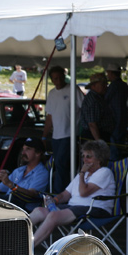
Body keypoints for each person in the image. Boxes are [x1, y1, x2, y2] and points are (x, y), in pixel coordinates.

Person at [30, 139, 115, 248]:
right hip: (74, 208)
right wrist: (54, 200)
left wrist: (82, 173)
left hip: (93, 208)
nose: (85, 160)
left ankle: (28, 248)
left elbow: (83, 192)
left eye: (88, 156)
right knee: (39, 211)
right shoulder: (83, 174)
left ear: (99, 159)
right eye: (83, 156)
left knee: (53, 215)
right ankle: (10, 239)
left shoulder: (104, 172)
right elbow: (66, 194)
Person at [42, 65, 83, 195]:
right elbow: (50, 116)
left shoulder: (73, 89)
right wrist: (44, 136)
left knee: (61, 164)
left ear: (65, 77)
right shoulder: (52, 93)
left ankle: (58, 193)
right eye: (55, 79)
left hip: (69, 134)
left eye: (60, 78)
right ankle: (65, 192)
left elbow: (84, 107)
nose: (58, 81)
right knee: (60, 164)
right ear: (52, 80)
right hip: (56, 136)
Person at [80, 71, 114, 143]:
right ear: (93, 86)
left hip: (99, 134)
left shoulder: (99, 98)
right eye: (102, 84)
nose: (105, 86)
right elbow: (92, 124)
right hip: (94, 136)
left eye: (106, 84)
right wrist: (99, 142)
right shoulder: (93, 100)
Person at [104, 67, 128, 158]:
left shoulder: (113, 86)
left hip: (115, 119)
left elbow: (105, 99)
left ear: (111, 73)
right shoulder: (124, 85)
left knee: (114, 146)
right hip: (123, 118)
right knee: (119, 145)